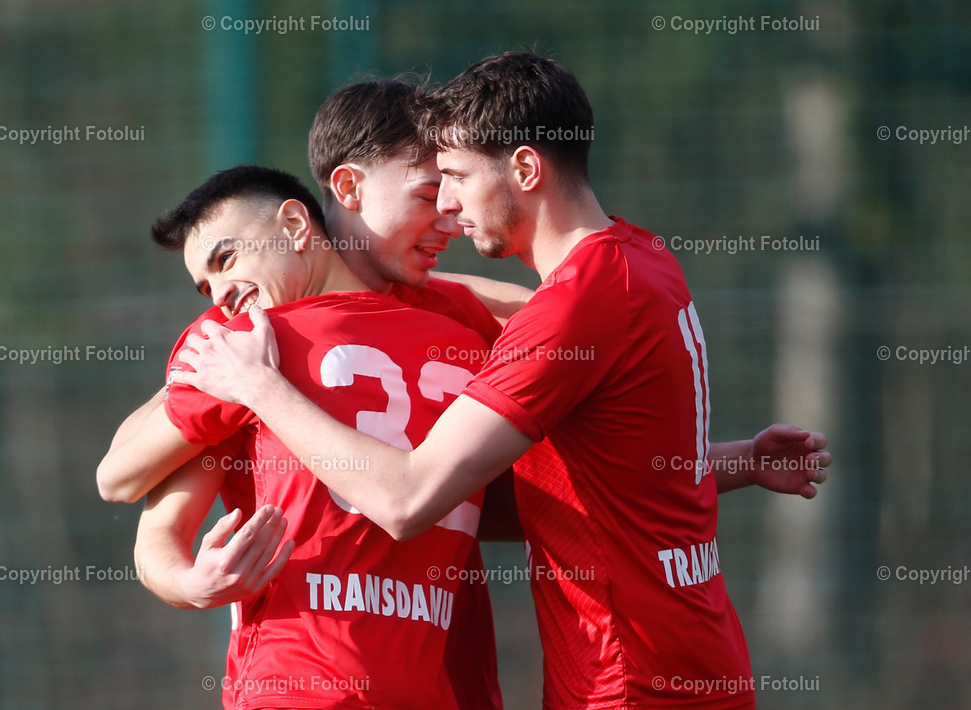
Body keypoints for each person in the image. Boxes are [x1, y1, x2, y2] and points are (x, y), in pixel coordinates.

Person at [170, 53, 831, 709]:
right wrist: (740, 460)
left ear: (524, 168)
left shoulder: (569, 308)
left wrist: (258, 386)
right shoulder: (647, 259)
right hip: (692, 660)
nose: (450, 207)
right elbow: (607, 483)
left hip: (628, 680)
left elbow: (407, 500)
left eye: (453, 177)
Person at [99, 163, 509, 709]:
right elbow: (153, 524)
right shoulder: (241, 350)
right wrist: (193, 584)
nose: (219, 294)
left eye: (227, 260)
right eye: (205, 286)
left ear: (295, 224)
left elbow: (116, 479)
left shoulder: (249, 350)